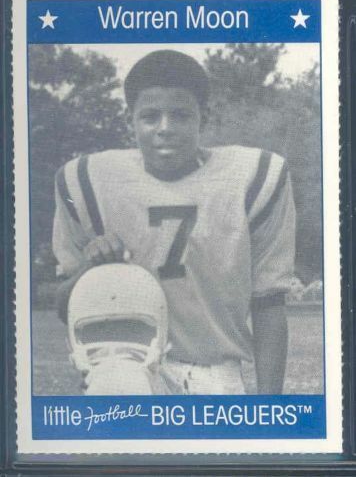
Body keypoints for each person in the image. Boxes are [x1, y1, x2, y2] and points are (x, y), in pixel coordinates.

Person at [53, 49, 295, 395]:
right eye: (150, 116)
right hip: (125, 364)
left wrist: (269, 407)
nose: (165, 128)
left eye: (180, 115)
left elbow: (269, 302)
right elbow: (65, 305)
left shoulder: (253, 178)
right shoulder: (88, 181)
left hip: (216, 372)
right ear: (130, 120)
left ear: (204, 118)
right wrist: (90, 271)